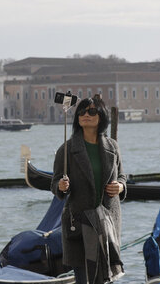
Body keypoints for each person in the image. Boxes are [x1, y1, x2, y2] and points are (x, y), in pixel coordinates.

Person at [52, 95, 126, 284]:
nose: (86, 115)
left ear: (101, 117)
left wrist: (120, 186)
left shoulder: (113, 147)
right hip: (79, 223)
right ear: (76, 118)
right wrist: (61, 186)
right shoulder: (66, 150)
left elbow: (122, 177)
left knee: (105, 279)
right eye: (82, 112)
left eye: (92, 111)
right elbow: (55, 183)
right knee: (83, 279)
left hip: (107, 222)